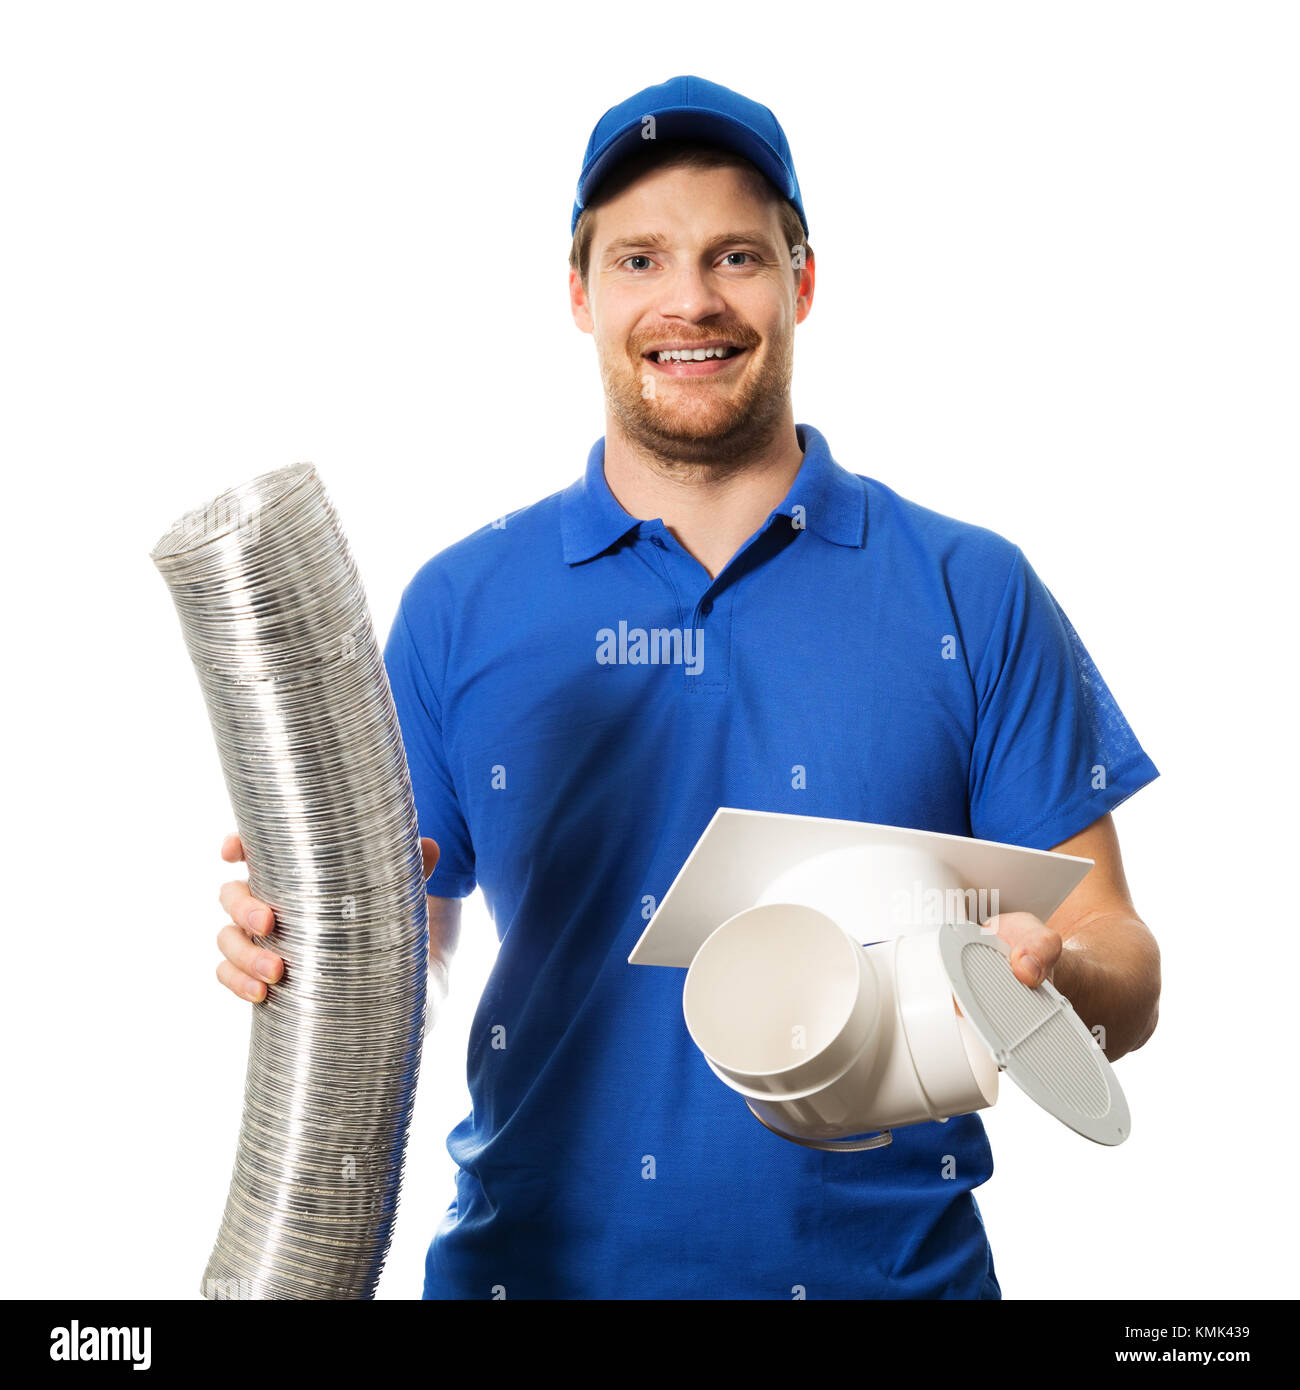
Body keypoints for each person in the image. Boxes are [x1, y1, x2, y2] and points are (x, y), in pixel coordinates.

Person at [214, 75, 1161, 1299]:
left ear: (801, 281)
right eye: (640, 259)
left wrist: (1053, 974)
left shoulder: (969, 590)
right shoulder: (463, 604)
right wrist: (300, 940)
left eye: (734, 256)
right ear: (580, 295)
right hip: (532, 1277)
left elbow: (1120, 958)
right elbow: (416, 949)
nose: (690, 301)